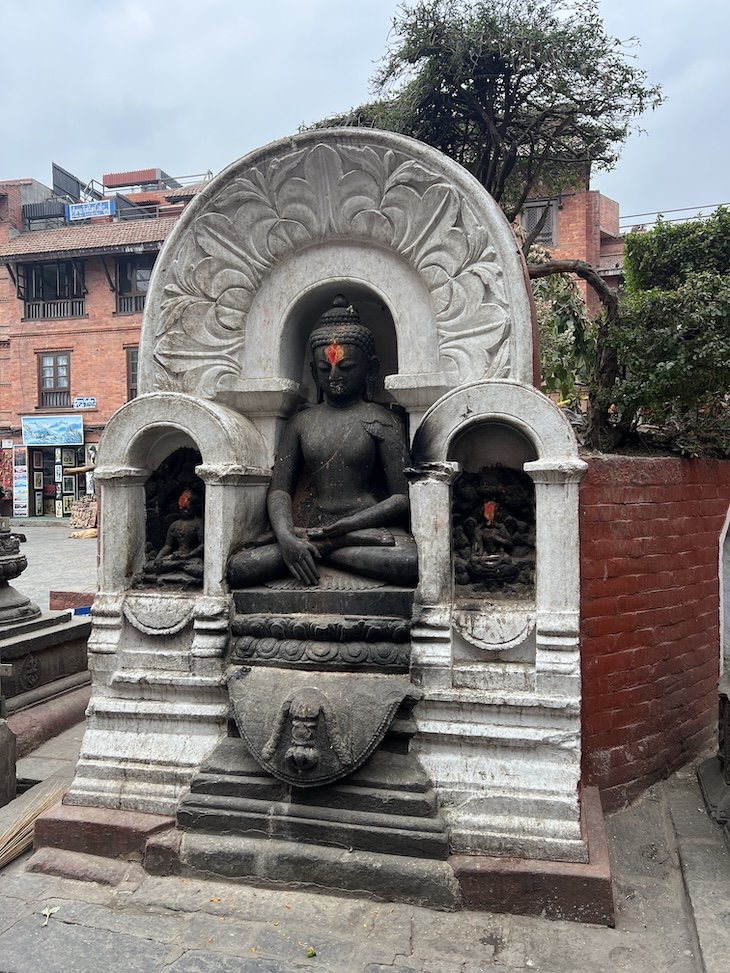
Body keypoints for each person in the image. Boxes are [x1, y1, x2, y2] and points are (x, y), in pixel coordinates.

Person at [227, 296, 417, 588]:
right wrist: (286, 537)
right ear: (314, 372)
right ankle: (323, 548)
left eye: (346, 367)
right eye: (325, 369)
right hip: (308, 527)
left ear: (370, 368)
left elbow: (402, 498)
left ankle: (327, 548)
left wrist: (349, 526)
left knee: (411, 564)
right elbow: (280, 490)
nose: (334, 375)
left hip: (367, 527)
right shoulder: (301, 421)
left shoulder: (382, 419)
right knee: (240, 567)